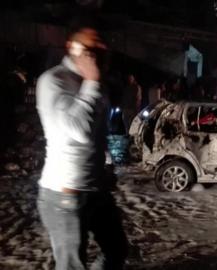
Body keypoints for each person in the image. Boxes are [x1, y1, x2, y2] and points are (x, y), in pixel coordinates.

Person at [35, 27, 128, 269]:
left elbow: (98, 134)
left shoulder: (96, 83)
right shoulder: (53, 81)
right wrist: (91, 82)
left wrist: (105, 166)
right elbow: (80, 131)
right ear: (73, 48)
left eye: (103, 46)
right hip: (65, 196)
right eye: (93, 47)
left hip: (96, 188)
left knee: (117, 250)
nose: (102, 51)